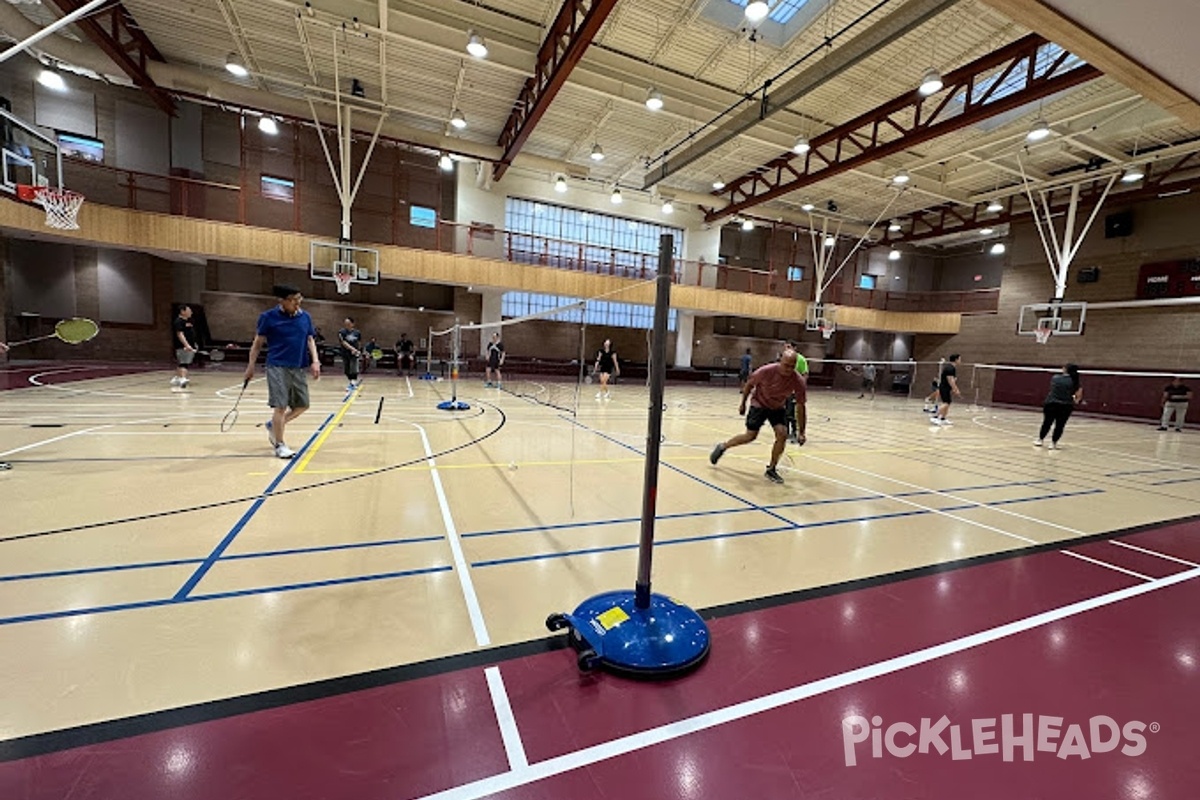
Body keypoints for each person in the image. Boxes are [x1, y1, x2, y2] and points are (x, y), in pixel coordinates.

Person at [710, 348, 808, 484]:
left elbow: (801, 406)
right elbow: (749, 385)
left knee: (782, 434)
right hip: (759, 404)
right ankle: (723, 446)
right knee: (750, 436)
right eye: (786, 365)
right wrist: (743, 403)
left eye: (792, 366)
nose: (788, 369)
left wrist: (802, 431)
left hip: (777, 407)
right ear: (780, 361)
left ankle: (772, 469)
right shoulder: (766, 371)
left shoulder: (798, 380)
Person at [245, 285, 321, 459]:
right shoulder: (268, 317)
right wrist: (251, 366)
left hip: (298, 366)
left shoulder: (305, 317)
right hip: (277, 365)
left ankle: (274, 425)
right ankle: (279, 444)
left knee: (303, 405)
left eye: (300, 300)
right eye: (294, 300)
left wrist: (315, 361)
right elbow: (257, 344)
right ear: (283, 301)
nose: (298, 304)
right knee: (280, 406)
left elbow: (310, 339)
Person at [1035, 363, 1082, 449]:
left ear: (1065, 369)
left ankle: (1040, 440)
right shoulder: (1076, 382)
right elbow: (1078, 397)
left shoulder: (1055, 378)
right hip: (1066, 406)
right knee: (1060, 425)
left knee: (1047, 422)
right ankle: (1053, 443)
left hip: (1051, 403)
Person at [171, 306, 199, 390]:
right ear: (182, 311)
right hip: (183, 346)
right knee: (184, 363)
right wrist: (186, 345)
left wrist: (194, 345)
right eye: (189, 311)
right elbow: (180, 334)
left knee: (183, 362)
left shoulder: (188, 321)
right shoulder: (178, 321)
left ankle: (176, 378)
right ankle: (183, 379)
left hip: (190, 345)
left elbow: (191, 334)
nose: (191, 312)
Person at [931, 354, 961, 425]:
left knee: (948, 402)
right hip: (944, 388)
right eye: (959, 359)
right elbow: (950, 380)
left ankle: (943, 418)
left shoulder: (951, 368)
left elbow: (952, 379)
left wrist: (953, 388)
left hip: (946, 388)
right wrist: (956, 389)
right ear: (956, 359)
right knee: (946, 403)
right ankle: (935, 417)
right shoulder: (950, 368)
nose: (960, 361)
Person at [337, 317, 363, 390]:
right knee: (347, 369)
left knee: (353, 368)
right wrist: (352, 349)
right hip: (345, 353)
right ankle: (352, 381)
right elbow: (343, 342)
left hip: (354, 354)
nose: (346, 325)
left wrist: (358, 350)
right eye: (345, 323)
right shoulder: (341, 332)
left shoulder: (357, 332)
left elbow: (359, 342)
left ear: (352, 324)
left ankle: (352, 382)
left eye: (348, 323)